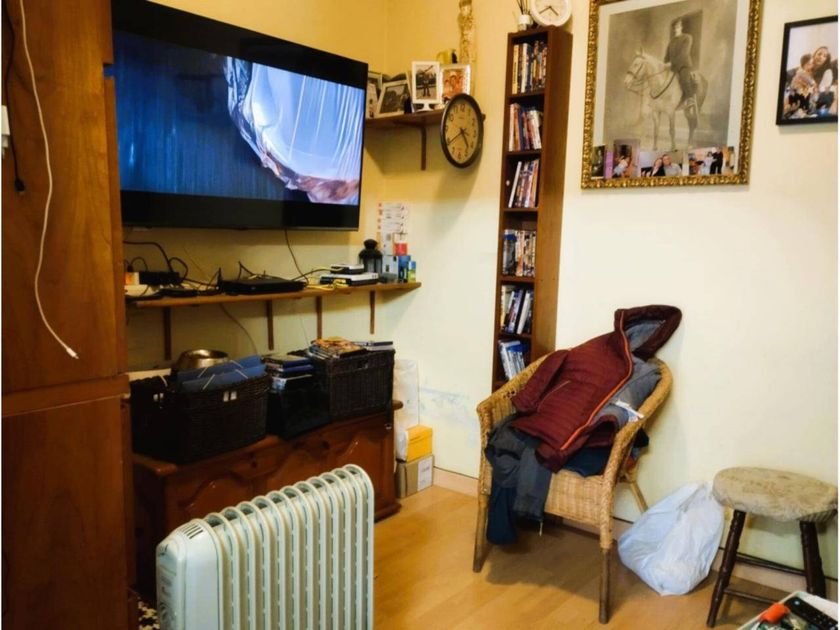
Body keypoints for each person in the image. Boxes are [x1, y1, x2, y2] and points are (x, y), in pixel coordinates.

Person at [664, 17, 696, 111]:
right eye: (675, 27)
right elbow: (667, 56)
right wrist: (664, 64)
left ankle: (690, 99)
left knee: (684, 79)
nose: (676, 29)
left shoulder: (687, 38)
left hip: (683, 65)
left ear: (681, 27)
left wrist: (672, 63)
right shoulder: (671, 42)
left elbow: (683, 54)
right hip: (673, 67)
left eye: (678, 26)